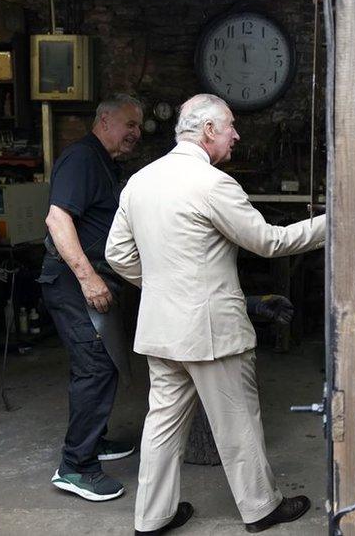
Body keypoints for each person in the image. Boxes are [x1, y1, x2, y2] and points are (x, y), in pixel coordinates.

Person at [106, 93, 325, 534]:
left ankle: (152, 518)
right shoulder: (212, 184)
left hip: (161, 327)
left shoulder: (140, 181)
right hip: (211, 331)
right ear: (208, 131)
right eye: (230, 127)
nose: (236, 135)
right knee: (237, 422)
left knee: (162, 426)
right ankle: (261, 508)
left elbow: (117, 254)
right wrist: (335, 221)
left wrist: (163, 285)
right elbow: (269, 242)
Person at [42, 94, 143, 501]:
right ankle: (76, 467)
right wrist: (88, 278)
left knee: (104, 364)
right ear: (104, 120)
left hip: (94, 280)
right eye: (129, 124)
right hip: (73, 283)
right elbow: (57, 218)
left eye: (138, 126)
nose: (136, 133)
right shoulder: (82, 158)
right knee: (95, 367)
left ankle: (93, 439)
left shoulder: (104, 161)